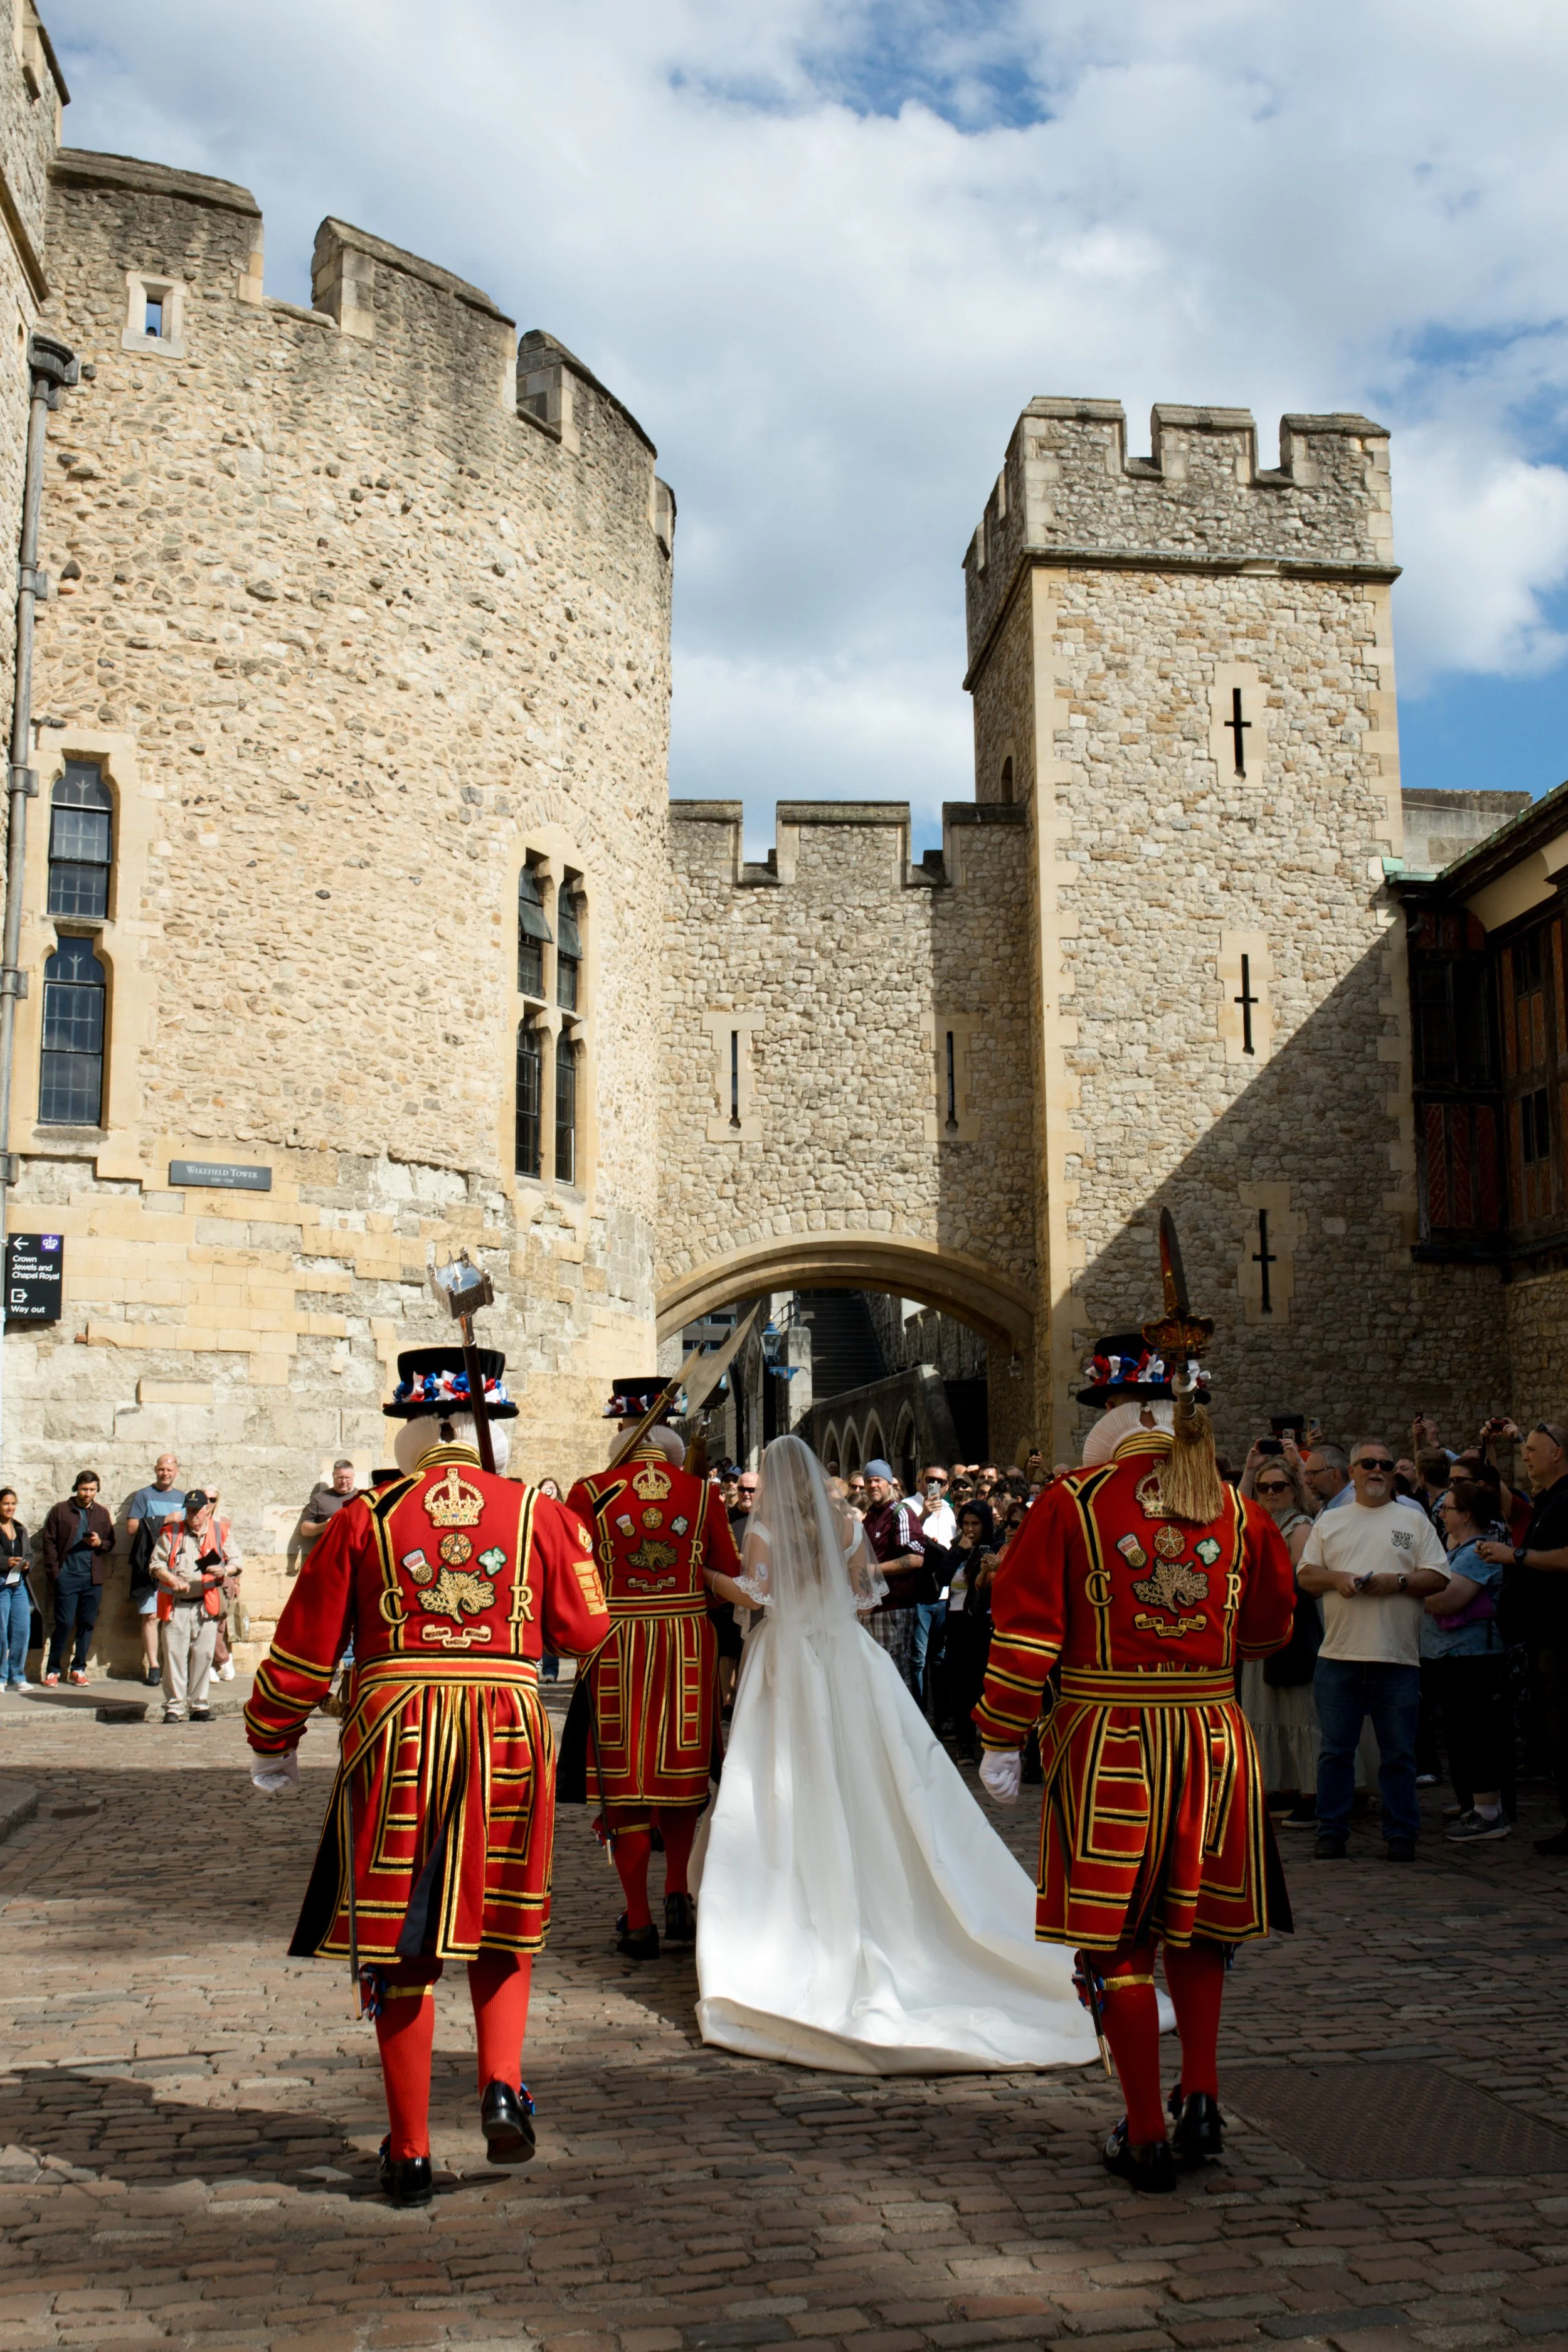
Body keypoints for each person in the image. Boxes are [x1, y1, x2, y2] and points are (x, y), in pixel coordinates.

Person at [245, 1342, 612, 2208]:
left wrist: (272, 1732)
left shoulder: (362, 1516)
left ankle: (409, 2147)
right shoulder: (536, 1513)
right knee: (499, 1910)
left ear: (412, 1434)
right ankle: (501, 2083)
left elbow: (303, 1642)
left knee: (403, 1932)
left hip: (398, 1734)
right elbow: (589, 1628)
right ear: (486, 1431)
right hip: (505, 1733)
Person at [977, 1264, 1297, 2197]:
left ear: (1112, 1419)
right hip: (1210, 1736)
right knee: (1197, 1928)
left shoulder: (1074, 1502)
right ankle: (1201, 2094)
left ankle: (1148, 2128)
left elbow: (1027, 1630)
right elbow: (1271, 1626)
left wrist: (1000, 1734)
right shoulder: (1236, 1508)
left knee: (1119, 1941)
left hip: (1112, 1738)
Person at [693, 1434, 1096, 2074]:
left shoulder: (765, 1530)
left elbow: (757, 1595)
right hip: (847, 1654)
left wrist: (709, 1576)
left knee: (783, 1777)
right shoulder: (847, 1523)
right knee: (874, 1773)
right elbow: (861, 1592)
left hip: (790, 1657)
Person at [564, 1383, 744, 1960]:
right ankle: (677, 1894)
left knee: (626, 1779)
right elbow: (728, 1573)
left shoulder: (590, 1491)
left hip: (616, 1644)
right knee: (680, 1772)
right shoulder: (700, 1493)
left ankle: (638, 1920)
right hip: (687, 1642)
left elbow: (573, 1574)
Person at [1296, 1439, 1451, 1862]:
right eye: (1369, 1464)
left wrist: (1396, 1583)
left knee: (1399, 1754)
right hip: (1339, 1656)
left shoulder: (1413, 1520)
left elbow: (1439, 1577)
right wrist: (1337, 1580)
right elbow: (1307, 1576)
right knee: (1335, 1752)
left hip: (1396, 1658)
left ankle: (1402, 1834)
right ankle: (1331, 1832)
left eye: (1385, 1464)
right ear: (1353, 1471)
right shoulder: (1332, 1521)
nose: (1378, 1470)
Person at [1476, 1419, 1568, 1856]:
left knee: (1563, 1727)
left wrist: (1516, 1555)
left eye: (1532, 1449)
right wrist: (1490, 1448)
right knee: (1553, 1729)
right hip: (1542, 1636)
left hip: (1562, 1636)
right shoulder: (1548, 1500)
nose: (1526, 1456)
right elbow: (1496, 1496)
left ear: (1558, 1453)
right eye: (1524, 1448)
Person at [1425, 1479, 1510, 1843]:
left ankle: (1488, 1811)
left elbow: (1448, 1599)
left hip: (1475, 1658)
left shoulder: (1478, 1553)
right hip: (1453, 1656)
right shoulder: (1457, 1550)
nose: (1442, 1514)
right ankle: (1473, 1805)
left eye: (1448, 1508)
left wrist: (1411, 1587)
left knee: (1476, 1732)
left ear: (1467, 1515)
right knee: (1460, 1733)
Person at [1237, 1448, 1319, 1825]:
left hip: (1291, 1629)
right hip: (1259, 1629)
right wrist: (1250, 1471)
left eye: (1279, 1486)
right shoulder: (1256, 1523)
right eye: (1263, 1487)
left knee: (1300, 1713)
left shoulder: (1298, 1525)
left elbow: (1297, 1577)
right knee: (1265, 1710)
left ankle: (1312, 1790)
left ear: (1293, 1489)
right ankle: (1281, 1786)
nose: (1270, 1493)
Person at [152, 1488, 240, 1725]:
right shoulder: (171, 1533)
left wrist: (225, 1570)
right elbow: (156, 1564)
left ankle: (199, 1705)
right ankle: (174, 1707)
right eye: (188, 1510)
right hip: (176, 1605)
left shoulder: (220, 1531)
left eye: (196, 1510)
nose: (192, 1515)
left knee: (203, 1656)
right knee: (174, 1658)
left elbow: (236, 1561)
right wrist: (171, 1579)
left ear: (206, 1509)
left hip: (206, 1604)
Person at [860, 1458, 930, 1702]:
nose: (872, 1485)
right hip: (871, 1609)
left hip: (895, 1608)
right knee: (876, 1677)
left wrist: (873, 1569)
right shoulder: (869, 1518)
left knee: (896, 1676)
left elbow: (915, 1559)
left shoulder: (901, 1513)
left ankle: (907, 1734)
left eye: (877, 1480)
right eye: (868, 1481)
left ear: (889, 1484)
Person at [40, 1470, 115, 1685]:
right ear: (77, 1488)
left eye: (92, 1490)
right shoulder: (61, 1511)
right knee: (63, 1623)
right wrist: (56, 1573)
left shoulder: (101, 1513)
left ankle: (78, 1669)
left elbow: (111, 1542)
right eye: (84, 1489)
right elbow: (49, 1542)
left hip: (92, 1579)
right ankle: (53, 1670)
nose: (88, 1494)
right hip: (67, 1576)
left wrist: (100, 1543)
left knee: (87, 1624)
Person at [935, 1500, 996, 1758]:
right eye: (966, 1524)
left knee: (983, 1682)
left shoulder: (994, 1548)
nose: (970, 1529)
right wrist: (959, 1552)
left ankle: (990, 1738)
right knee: (960, 1683)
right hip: (958, 1622)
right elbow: (942, 1577)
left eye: (976, 1524)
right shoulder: (957, 1548)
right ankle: (964, 1742)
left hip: (983, 1623)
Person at [126, 1454, 186, 1687]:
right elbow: (132, 1528)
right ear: (155, 1470)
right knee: (151, 1616)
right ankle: (154, 1666)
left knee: (174, 1618)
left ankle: (173, 1665)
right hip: (150, 1565)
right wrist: (164, 1519)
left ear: (177, 1471)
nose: (165, 1473)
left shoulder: (183, 1497)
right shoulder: (144, 1496)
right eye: (161, 1469)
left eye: (169, 1470)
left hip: (176, 1565)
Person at [0, 1490, 33, 1690]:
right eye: (5, 1504)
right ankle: (1, 1677)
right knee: (1, 1631)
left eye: (13, 1503)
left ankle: (17, 1675)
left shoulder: (20, 1529)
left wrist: (28, 1563)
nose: (10, 1507)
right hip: (1, 1583)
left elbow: (29, 1553)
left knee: (22, 1629)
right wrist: (6, 1562)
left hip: (18, 1583)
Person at [301, 1458, 360, 1540]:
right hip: (329, 1550)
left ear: (353, 1476)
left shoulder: (362, 1497)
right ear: (333, 1476)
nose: (343, 1481)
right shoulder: (320, 1498)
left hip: (356, 1551)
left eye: (347, 1478)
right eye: (340, 1478)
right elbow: (305, 1530)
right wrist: (324, 1526)